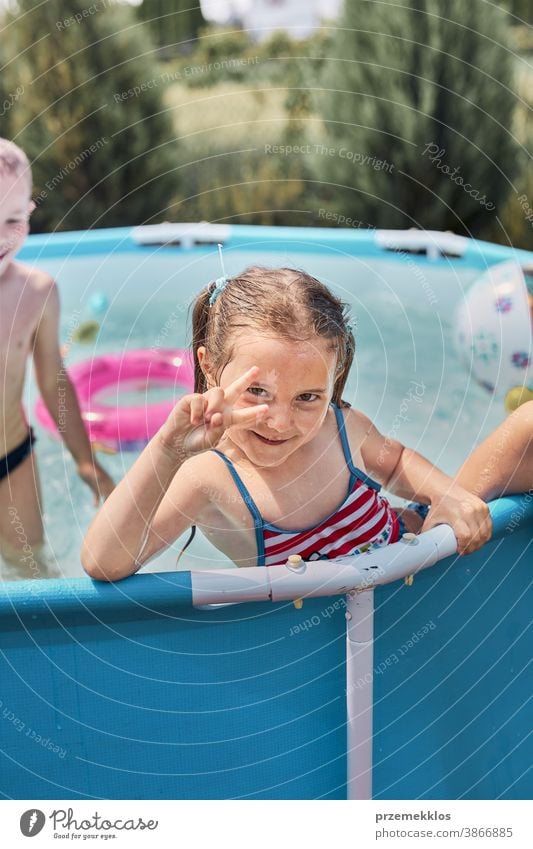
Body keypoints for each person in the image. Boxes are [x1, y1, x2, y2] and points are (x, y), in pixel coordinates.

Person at [81, 265, 499, 582]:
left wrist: (450, 495)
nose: (279, 422)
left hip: (413, 565)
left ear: (332, 380)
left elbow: (394, 463)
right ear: (207, 367)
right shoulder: (209, 479)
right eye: (257, 391)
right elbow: (104, 562)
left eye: (307, 397)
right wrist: (168, 451)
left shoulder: (339, 426)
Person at [0, 138, 114, 579]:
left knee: (32, 571)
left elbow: (52, 382)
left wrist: (86, 461)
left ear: (29, 212)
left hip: (10, 458)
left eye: (12, 219)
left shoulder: (37, 293)